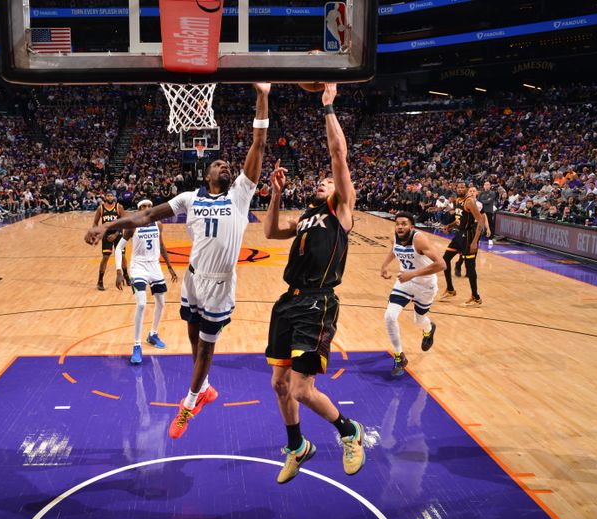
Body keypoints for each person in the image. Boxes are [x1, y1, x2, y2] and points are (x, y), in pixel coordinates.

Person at [86, 83, 271, 439]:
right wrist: (108, 225)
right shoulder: (189, 198)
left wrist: (262, 95)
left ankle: (188, 404)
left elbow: (259, 144)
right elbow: (145, 217)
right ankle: (204, 388)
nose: (224, 164)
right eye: (218, 163)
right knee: (191, 336)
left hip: (219, 282)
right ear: (206, 175)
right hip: (192, 278)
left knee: (205, 345)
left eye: (226, 163)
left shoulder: (241, 194)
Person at [262, 84, 365, 484]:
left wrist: (328, 108)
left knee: (303, 389)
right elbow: (270, 232)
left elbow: (338, 154)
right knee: (279, 384)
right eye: (320, 182)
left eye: (327, 181)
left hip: (318, 303)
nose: (323, 182)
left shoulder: (341, 211)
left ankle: (349, 432)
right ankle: (297, 445)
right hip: (288, 302)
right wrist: (275, 195)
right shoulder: (306, 216)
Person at [380, 212, 446, 376]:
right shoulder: (395, 236)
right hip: (405, 282)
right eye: (397, 224)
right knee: (389, 316)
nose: (400, 226)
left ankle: (429, 329)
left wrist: (414, 274)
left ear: (412, 226)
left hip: (425, 285)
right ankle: (399, 356)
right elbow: (394, 250)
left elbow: (441, 264)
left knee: (419, 320)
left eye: (404, 223)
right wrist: (384, 266)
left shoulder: (419, 239)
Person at [114, 199, 179, 365]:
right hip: (138, 267)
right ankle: (136, 345)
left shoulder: (158, 224)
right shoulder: (132, 225)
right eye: (143, 206)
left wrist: (170, 266)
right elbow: (119, 248)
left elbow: (162, 245)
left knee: (161, 302)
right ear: (139, 209)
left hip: (155, 267)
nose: (147, 208)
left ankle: (153, 334)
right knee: (141, 304)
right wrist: (119, 271)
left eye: (149, 206)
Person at [438, 181, 486, 307]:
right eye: (458, 187)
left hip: (469, 236)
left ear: (466, 188)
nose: (460, 189)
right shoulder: (457, 200)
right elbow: (458, 220)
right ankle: (450, 290)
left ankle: (476, 297)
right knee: (445, 260)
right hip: (459, 235)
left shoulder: (469, 201)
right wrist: (448, 226)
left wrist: (475, 241)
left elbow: (480, 221)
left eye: (462, 187)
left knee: (470, 268)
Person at [92, 191, 129, 291]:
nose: (109, 197)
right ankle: (100, 281)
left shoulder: (118, 207)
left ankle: (126, 275)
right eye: (108, 195)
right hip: (106, 234)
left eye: (111, 195)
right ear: (105, 197)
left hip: (118, 233)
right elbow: (95, 223)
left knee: (123, 255)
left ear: (114, 197)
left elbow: (124, 222)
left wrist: (116, 234)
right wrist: (97, 234)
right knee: (105, 257)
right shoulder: (101, 208)